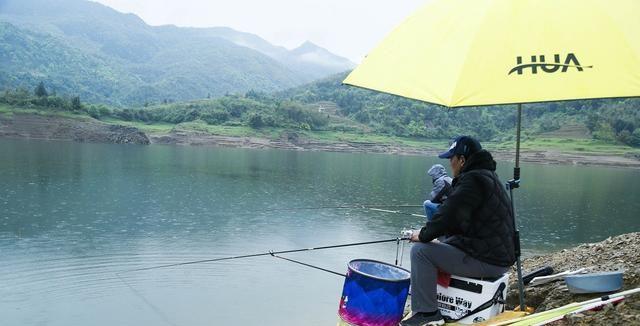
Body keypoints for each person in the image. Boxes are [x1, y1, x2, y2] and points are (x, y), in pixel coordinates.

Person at [401, 136, 516, 326]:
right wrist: (440, 238)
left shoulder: (473, 180)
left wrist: (421, 235)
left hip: (488, 260)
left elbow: (448, 214)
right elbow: (458, 221)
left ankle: (428, 314)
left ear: (462, 160)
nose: (449, 163)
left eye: (451, 158)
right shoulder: (487, 176)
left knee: (421, 251)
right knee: (441, 240)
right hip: (496, 256)